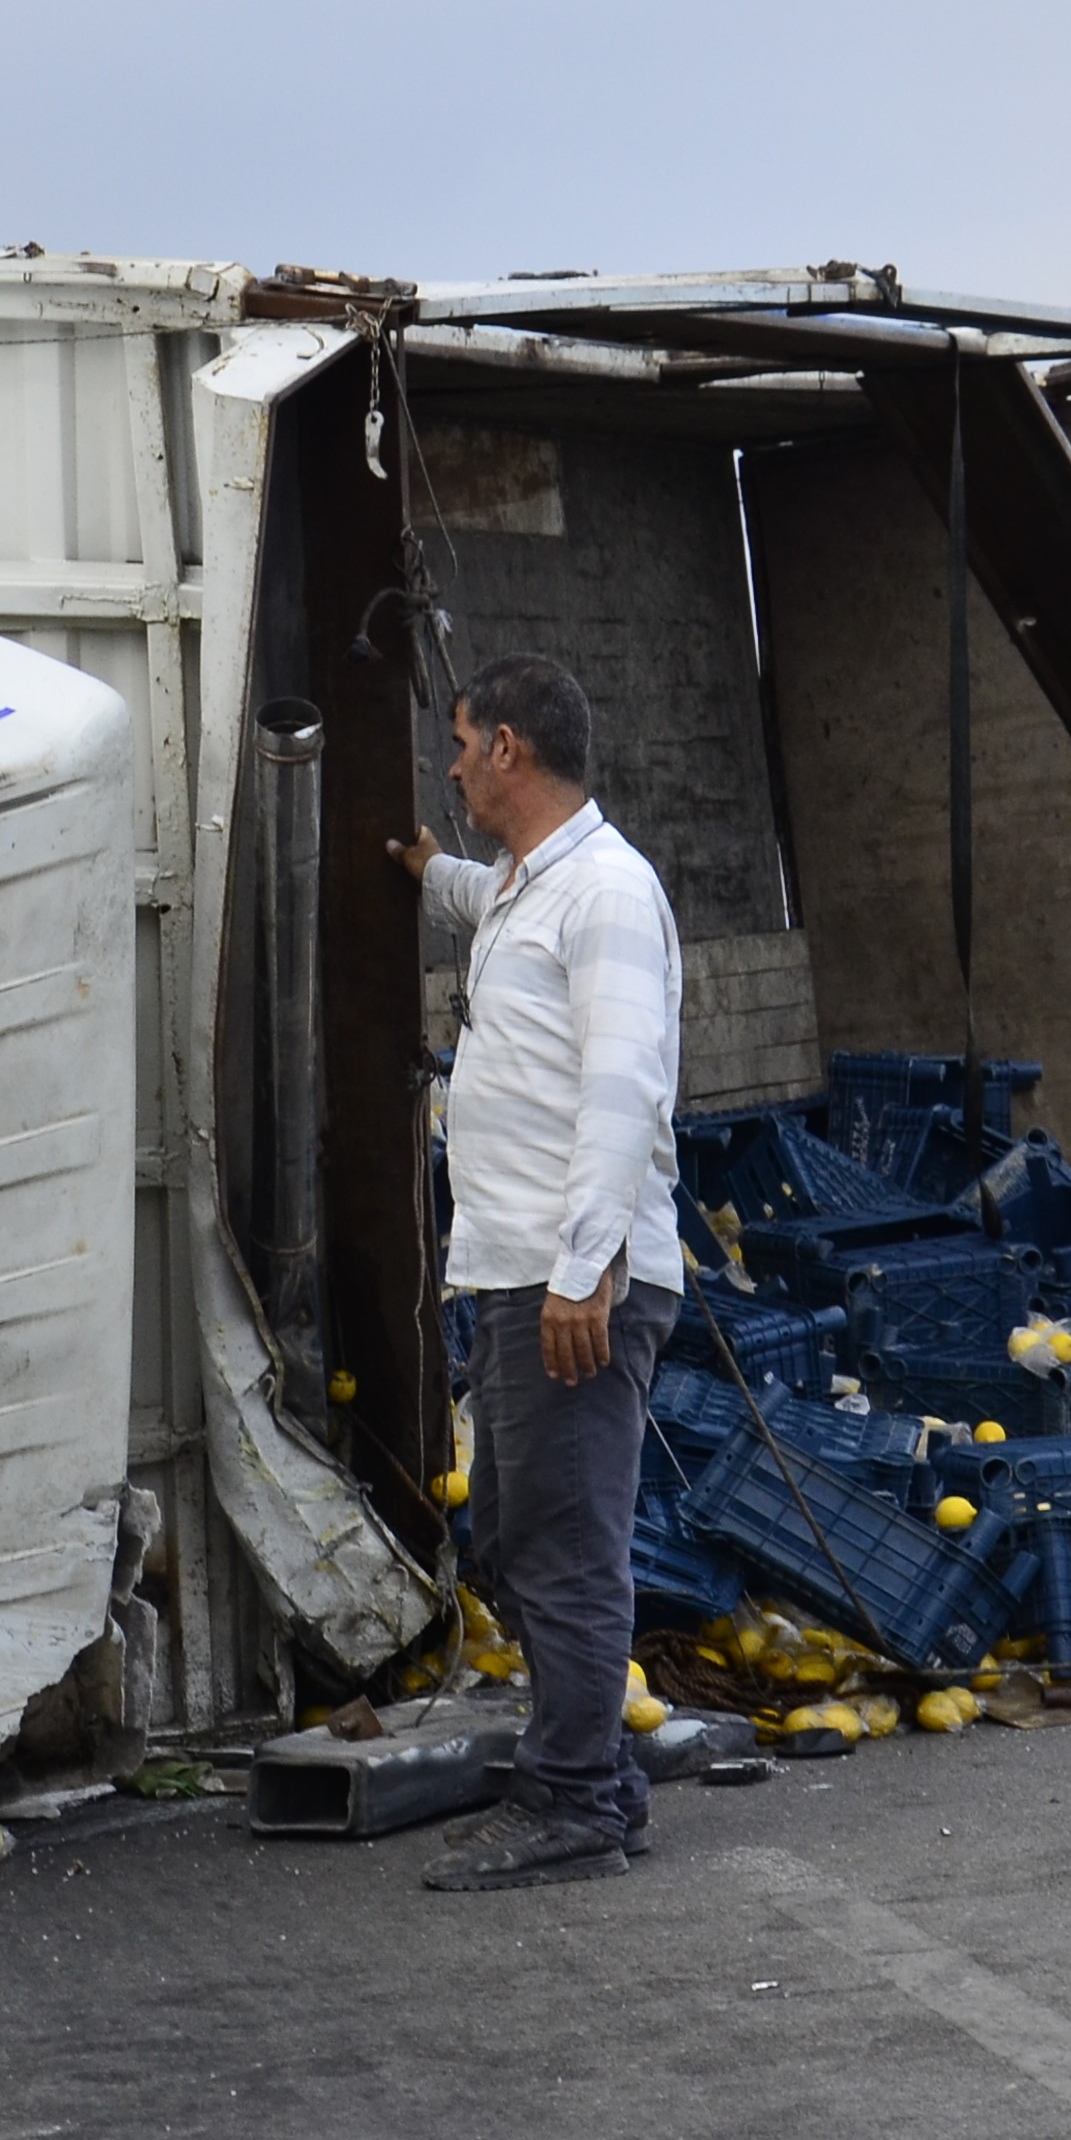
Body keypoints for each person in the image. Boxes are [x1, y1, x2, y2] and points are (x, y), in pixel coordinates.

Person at [387, 653, 686, 1891]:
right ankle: (597, 1775)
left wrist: (582, 1272)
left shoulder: (606, 895)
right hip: (515, 1274)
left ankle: (569, 1798)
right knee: (512, 1531)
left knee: (563, 1545)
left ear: (507, 748)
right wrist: (421, 869)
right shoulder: (525, 887)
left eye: (460, 744)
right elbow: (477, 898)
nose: (451, 766)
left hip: (574, 1284)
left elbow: (622, 1090)